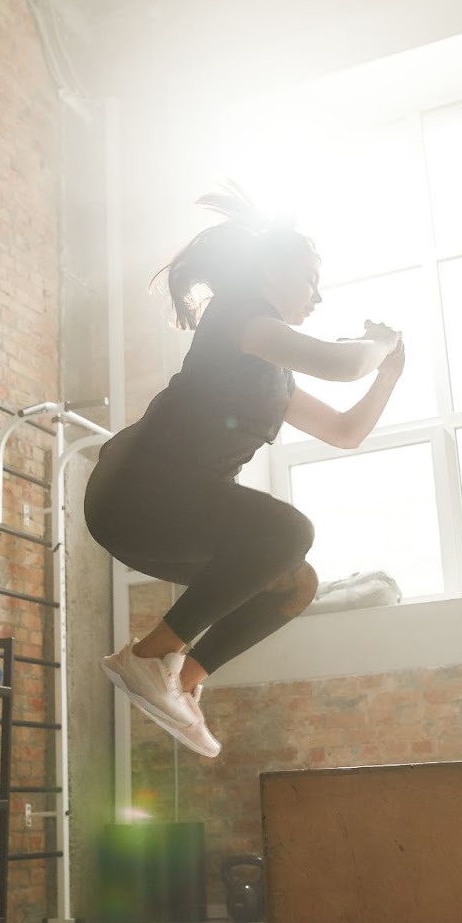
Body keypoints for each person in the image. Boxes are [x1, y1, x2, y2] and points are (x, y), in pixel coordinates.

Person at [84, 186, 406, 757]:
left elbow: (344, 432)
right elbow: (340, 362)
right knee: (290, 532)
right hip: (136, 492)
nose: (318, 295)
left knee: (294, 581)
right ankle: (150, 656)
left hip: (166, 515)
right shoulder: (239, 318)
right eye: (310, 278)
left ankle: (178, 684)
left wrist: (387, 375)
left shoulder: (275, 375)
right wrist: (377, 342)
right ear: (268, 271)